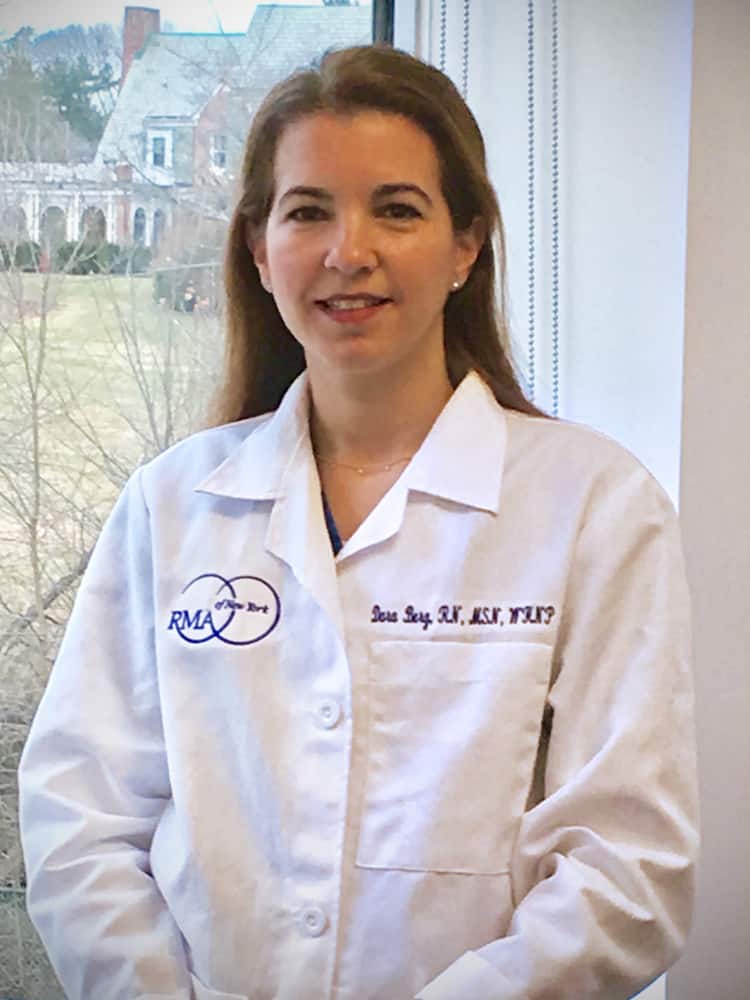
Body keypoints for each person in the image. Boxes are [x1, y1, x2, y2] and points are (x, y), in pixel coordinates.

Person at [18, 45, 698, 1000]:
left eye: (398, 209)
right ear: (260, 250)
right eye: (308, 212)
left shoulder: (595, 507)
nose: (349, 251)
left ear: (466, 245)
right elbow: (81, 820)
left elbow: (628, 870)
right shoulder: (171, 505)